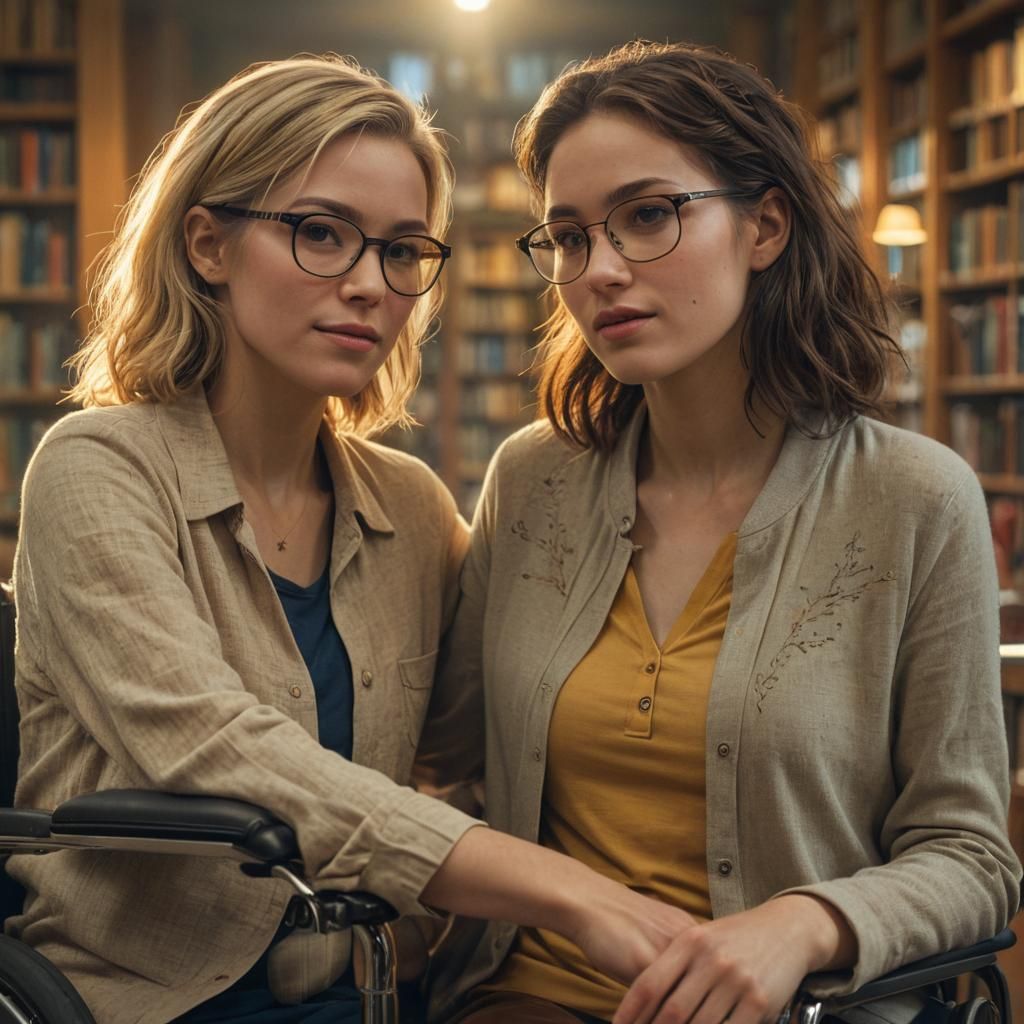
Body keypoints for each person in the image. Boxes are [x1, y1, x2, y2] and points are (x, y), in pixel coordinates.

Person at [5, 54, 698, 1024]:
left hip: (376, 986)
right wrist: (570, 891)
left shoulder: (411, 505)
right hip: (147, 998)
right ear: (207, 243)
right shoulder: (97, 466)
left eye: (403, 251)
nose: (372, 285)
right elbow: (211, 747)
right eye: (323, 234)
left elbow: (483, 734)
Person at [423, 39, 1022, 1024]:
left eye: (648, 216)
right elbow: (443, 771)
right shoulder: (531, 480)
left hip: (804, 1005)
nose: (599, 270)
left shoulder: (918, 499)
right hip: (529, 998)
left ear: (765, 226)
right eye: (568, 237)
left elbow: (970, 855)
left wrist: (802, 924)